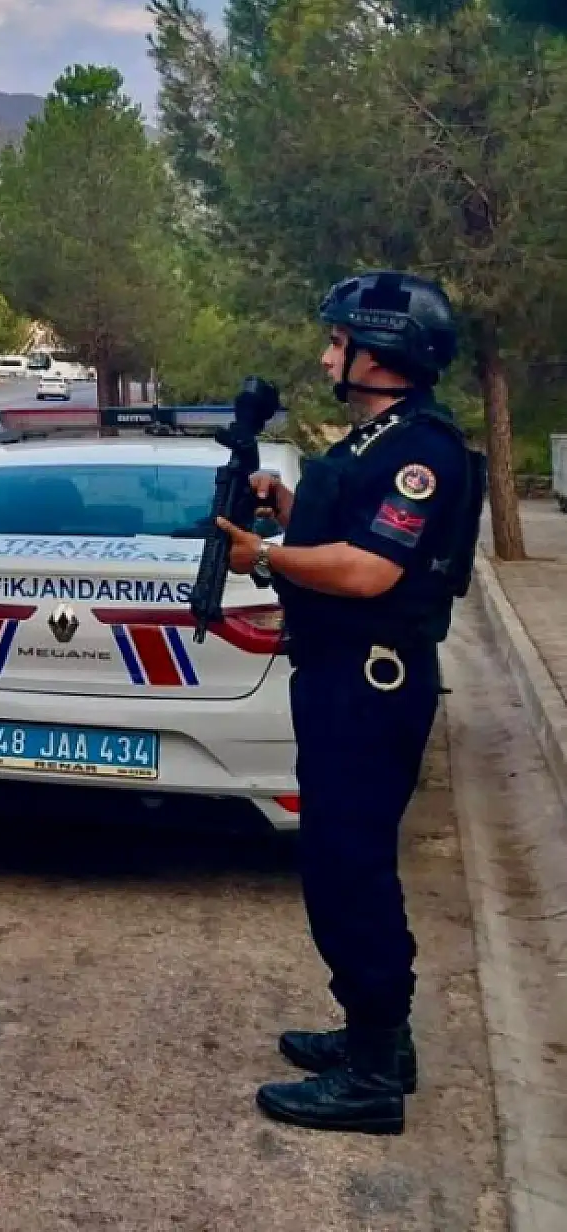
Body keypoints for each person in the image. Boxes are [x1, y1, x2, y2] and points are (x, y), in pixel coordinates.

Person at [216, 271, 485, 1135]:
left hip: (372, 684)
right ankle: (381, 1039)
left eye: (341, 341)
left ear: (385, 352)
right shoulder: (382, 443)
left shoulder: (420, 453)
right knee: (342, 860)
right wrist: (291, 508)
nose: (328, 352)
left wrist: (266, 557)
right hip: (345, 678)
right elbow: (354, 529)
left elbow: (372, 570)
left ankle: (372, 1077)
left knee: (349, 866)